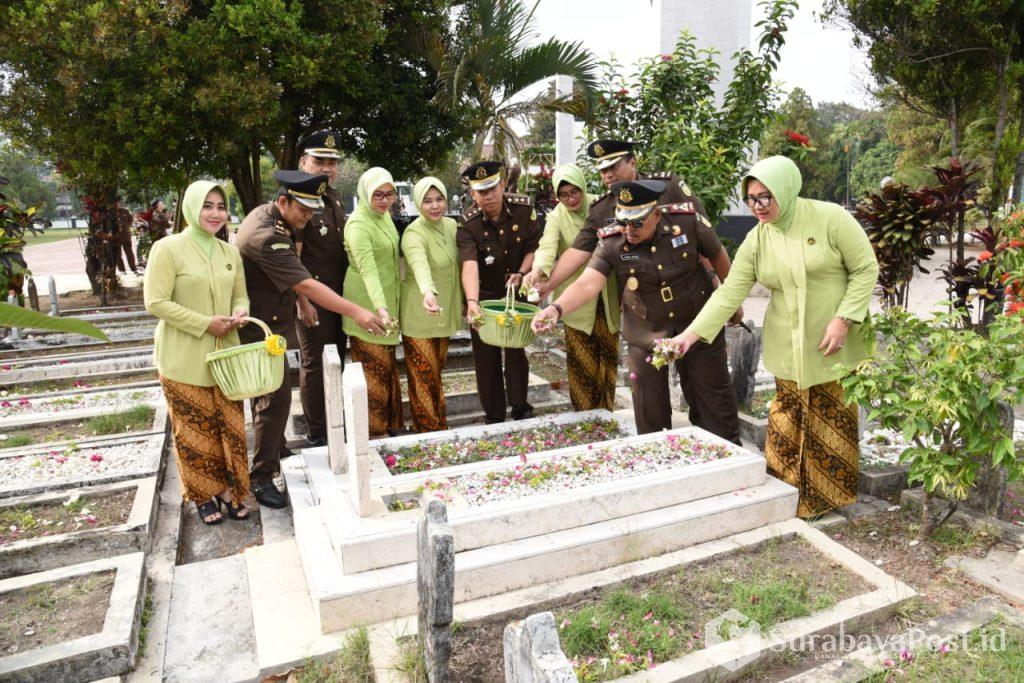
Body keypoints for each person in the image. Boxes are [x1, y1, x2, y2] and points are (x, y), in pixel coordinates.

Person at [671, 156, 879, 518]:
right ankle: (787, 493)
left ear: (786, 187)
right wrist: (690, 336)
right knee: (787, 416)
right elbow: (729, 292)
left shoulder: (831, 218)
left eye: (766, 196)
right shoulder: (757, 239)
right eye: (751, 199)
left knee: (831, 415)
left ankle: (826, 498)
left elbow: (865, 269)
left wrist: (844, 319)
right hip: (787, 341)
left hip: (834, 339)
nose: (758, 206)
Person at [532, 180, 742, 442]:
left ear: (656, 214)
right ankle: (659, 461)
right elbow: (588, 283)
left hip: (696, 322)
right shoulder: (612, 241)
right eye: (623, 220)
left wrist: (733, 304)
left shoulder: (687, 222)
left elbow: (719, 257)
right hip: (645, 330)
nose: (628, 229)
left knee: (713, 399)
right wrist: (556, 308)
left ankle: (725, 456)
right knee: (648, 407)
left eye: (637, 222)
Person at [236, 170, 384, 508]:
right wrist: (357, 312)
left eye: (313, 210)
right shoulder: (268, 237)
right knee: (273, 401)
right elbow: (305, 282)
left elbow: (292, 277)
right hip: (261, 327)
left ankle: (276, 450)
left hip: (272, 318)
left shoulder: (270, 215)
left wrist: (301, 301)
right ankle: (260, 477)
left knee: (273, 400)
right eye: (303, 210)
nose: (309, 217)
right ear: (284, 201)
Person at [144, 180, 250, 525]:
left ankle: (231, 489)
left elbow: (240, 295)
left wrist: (240, 312)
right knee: (194, 431)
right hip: (183, 358)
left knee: (230, 427)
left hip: (226, 357)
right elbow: (156, 302)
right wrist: (205, 323)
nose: (216, 213)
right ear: (190, 208)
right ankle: (203, 494)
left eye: (221, 206)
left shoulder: (229, 252)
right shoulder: (168, 248)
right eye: (208, 206)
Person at [536, 139, 705, 298]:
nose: (607, 175)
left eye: (613, 167)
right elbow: (577, 252)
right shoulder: (601, 208)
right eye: (603, 170)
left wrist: (716, 282)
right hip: (645, 305)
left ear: (632, 162)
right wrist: (548, 286)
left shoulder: (668, 187)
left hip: (690, 293)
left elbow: (704, 237)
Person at [525, 164, 620, 411]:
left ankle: (606, 414)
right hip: (574, 304)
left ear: (583, 187)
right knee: (581, 363)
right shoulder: (557, 216)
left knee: (607, 361)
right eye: (563, 194)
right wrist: (538, 270)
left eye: (574, 191)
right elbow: (547, 246)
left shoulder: (600, 206)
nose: (570, 199)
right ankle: (585, 416)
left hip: (606, 300)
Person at [458, 160, 541, 423]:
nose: (489, 195)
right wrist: (472, 302)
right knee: (485, 359)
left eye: (493, 188)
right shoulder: (467, 224)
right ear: (473, 194)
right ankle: (494, 415)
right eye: (481, 191)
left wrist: (523, 271)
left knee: (516, 352)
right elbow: (469, 265)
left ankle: (521, 408)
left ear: (503, 185)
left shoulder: (523, 210)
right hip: (482, 297)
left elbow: (534, 247)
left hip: (516, 292)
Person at [293, 130, 349, 448]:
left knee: (336, 359)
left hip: (338, 296)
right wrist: (302, 299)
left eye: (332, 162)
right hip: (312, 298)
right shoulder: (299, 198)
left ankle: (334, 423)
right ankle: (317, 433)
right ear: (304, 162)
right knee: (315, 364)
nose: (327, 168)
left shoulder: (333, 198)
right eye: (319, 161)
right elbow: (293, 257)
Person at [342, 167, 405, 437]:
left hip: (386, 302)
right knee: (372, 373)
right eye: (377, 194)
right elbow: (368, 270)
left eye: (389, 194)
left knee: (387, 368)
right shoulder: (358, 224)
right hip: (366, 305)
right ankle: (372, 434)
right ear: (365, 193)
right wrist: (379, 308)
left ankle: (389, 428)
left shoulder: (384, 217)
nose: (384, 200)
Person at [399, 176, 462, 432]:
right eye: (427, 201)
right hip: (420, 314)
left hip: (442, 314)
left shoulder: (451, 226)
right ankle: (428, 432)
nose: (434, 206)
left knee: (435, 375)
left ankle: (438, 426)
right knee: (423, 377)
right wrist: (428, 291)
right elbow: (419, 264)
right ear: (417, 203)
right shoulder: (414, 233)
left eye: (439, 199)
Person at [114, 202, 138, 274]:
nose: (116, 205)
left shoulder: (125, 211)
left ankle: (133, 268)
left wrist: (128, 226)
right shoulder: (112, 212)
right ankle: (122, 270)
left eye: (117, 203)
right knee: (118, 254)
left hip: (126, 235)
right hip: (116, 236)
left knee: (129, 253)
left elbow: (131, 219)